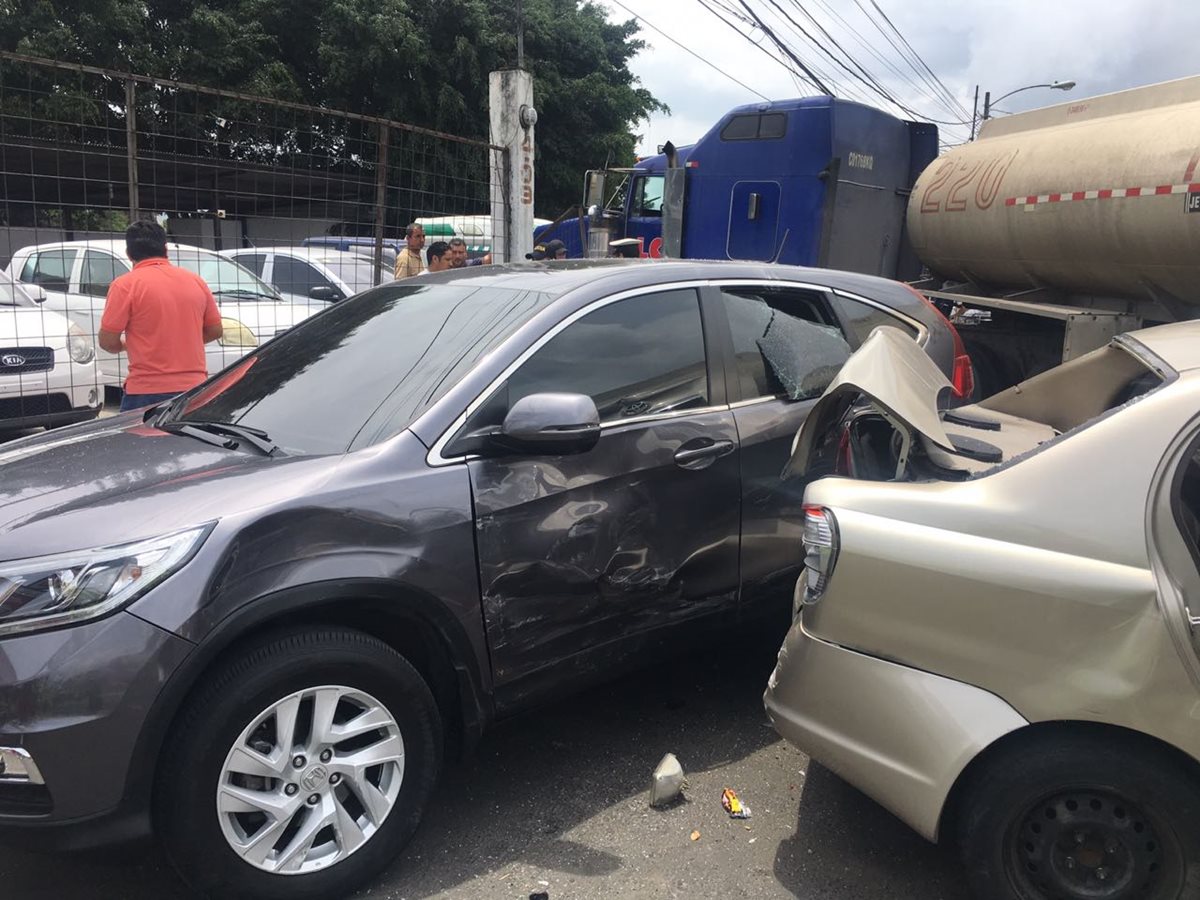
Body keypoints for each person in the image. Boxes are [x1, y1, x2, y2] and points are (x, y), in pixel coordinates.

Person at [99, 220, 223, 412]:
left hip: (146, 390)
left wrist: (125, 345)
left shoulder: (124, 285)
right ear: (165, 249)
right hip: (194, 387)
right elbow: (215, 330)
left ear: (129, 254)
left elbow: (107, 342)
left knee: (139, 442)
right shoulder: (195, 281)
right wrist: (183, 341)